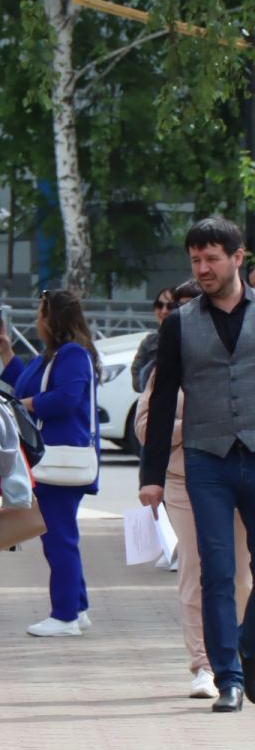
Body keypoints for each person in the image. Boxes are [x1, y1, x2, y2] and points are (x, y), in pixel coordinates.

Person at [139, 216, 255, 713]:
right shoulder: (179, 324)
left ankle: (245, 647)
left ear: (237, 258)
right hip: (206, 462)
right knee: (216, 572)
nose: (203, 269)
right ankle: (227, 677)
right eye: (195, 261)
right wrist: (150, 479)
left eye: (212, 259)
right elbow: (163, 400)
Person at [0, 288, 99, 637]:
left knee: (58, 539)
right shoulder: (55, 354)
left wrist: (27, 405)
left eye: (41, 313)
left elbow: (66, 399)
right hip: (53, 459)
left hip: (59, 459)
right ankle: (77, 608)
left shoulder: (71, 354)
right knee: (61, 535)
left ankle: (65, 615)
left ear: (52, 318)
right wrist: (6, 353)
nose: (37, 320)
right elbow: (27, 383)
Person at [132, 287, 176, 393]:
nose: (164, 311)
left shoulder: (190, 340)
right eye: (159, 305)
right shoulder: (148, 342)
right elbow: (137, 383)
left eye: (170, 306)